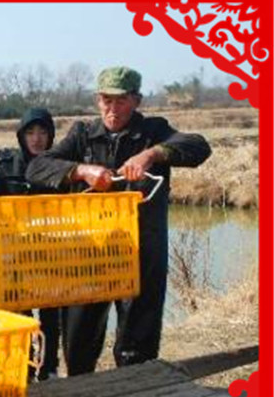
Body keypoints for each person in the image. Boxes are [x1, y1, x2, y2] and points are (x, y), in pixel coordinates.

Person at [26, 66, 211, 375]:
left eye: (121, 101)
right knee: (79, 340)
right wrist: (81, 171)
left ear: (136, 101)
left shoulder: (154, 130)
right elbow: (37, 168)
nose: (112, 109)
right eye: (106, 100)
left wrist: (152, 155)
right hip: (89, 251)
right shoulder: (82, 135)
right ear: (98, 101)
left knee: (136, 345)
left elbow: (198, 147)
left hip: (141, 250)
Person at [0, 107, 67, 381]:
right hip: (14, 254)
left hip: (50, 251)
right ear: (21, 136)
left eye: (43, 132)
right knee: (20, 315)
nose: (36, 139)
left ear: (51, 136)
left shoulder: (60, 168)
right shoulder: (4, 167)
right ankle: (23, 369)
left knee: (51, 314)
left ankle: (49, 368)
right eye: (31, 133)